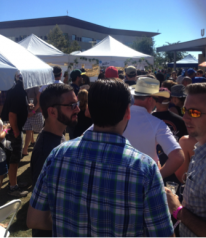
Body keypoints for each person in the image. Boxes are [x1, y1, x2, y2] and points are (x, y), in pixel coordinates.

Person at [27, 79, 175, 237]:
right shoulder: (145, 168)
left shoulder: (57, 155)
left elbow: (35, 220)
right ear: (127, 111)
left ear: (88, 110)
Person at [165, 83, 206, 238]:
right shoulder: (202, 149)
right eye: (185, 110)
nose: (184, 117)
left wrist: (177, 210)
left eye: (195, 112)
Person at [31, 83, 80, 238]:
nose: (77, 109)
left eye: (76, 104)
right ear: (52, 111)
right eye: (71, 105)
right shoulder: (47, 151)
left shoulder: (56, 137)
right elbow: (40, 216)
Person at [124, 77, 184, 179]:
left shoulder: (117, 117)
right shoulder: (157, 124)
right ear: (150, 99)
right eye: (156, 99)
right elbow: (178, 157)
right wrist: (156, 179)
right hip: (144, 183)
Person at [152, 88, 188, 192]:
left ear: (155, 101)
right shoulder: (180, 120)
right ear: (170, 100)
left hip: (154, 166)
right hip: (175, 167)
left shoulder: (149, 119)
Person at [1, 72, 29, 197]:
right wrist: (16, 131)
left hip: (8, 129)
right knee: (14, 159)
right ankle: (13, 187)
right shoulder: (19, 92)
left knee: (10, 158)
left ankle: (14, 182)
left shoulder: (14, 89)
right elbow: (12, 114)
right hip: (12, 130)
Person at [22, 86, 44, 156]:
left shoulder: (36, 87)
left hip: (36, 113)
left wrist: (33, 112)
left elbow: (40, 101)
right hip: (27, 113)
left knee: (41, 131)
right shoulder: (24, 87)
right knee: (28, 131)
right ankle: (25, 150)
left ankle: (41, 148)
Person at [0, 120, 11, 190]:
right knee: (1, 174)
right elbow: (0, 137)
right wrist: (6, 129)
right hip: (0, 155)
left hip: (4, 146)